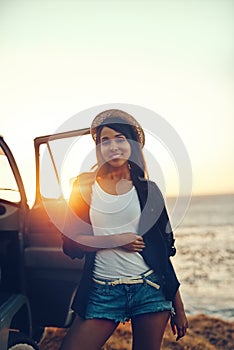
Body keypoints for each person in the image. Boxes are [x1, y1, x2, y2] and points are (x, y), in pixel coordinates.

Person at [60, 109, 188, 350]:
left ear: (132, 145)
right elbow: (71, 242)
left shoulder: (149, 190)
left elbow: (162, 256)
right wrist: (114, 240)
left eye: (120, 138)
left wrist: (178, 308)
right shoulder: (83, 186)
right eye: (105, 140)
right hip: (102, 291)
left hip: (150, 290)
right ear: (98, 147)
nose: (113, 146)